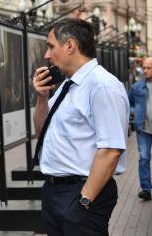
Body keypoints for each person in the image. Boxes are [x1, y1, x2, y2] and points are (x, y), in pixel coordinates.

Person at [32, 18, 129, 235]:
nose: (47, 55)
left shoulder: (102, 85)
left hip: (80, 194)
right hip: (55, 192)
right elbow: (42, 133)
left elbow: (112, 149)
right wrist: (41, 97)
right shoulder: (68, 84)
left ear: (70, 46)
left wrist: (84, 200)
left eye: (51, 46)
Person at [128, 57, 152, 201]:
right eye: (144, 67)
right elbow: (129, 103)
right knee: (144, 158)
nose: (145, 70)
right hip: (143, 129)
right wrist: (135, 112)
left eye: (148, 68)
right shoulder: (137, 87)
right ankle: (146, 189)